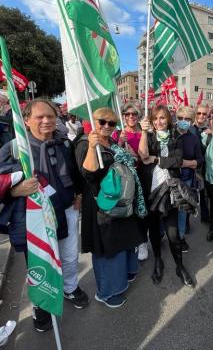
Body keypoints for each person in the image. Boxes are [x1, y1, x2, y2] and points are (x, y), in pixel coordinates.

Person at [0, 99, 89, 332]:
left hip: (67, 209)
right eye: (39, 117)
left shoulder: (64, 143)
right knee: (40, 262)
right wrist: (15, 190)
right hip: (35, 217)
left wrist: (78, 193)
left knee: (69, 256)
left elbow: (75, 173)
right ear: (26, 120)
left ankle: (69, 288)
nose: (46, 121)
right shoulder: (14, 148)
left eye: (50, 116)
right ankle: (41, 305)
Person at [75, 107, 144, 308]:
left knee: (124, 242)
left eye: (111, 123)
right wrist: (90, 147)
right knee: (108, 248)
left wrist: (121, 145)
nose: (106, 126)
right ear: (92, 121)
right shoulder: (83, 143)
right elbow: (87, 174)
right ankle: (108, 292)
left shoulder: (112, 141)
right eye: (102, 122)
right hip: (101, 204)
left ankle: (126, 276)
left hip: (122, 201)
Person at [138, 105, 194, 287]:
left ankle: (180, 266)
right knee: (154, 232)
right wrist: (144, 133)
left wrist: (156, 160)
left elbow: (177, 161)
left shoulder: (175, 137)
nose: (159, 122)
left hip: (169, 193)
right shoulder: (150, 137)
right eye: (155, 119)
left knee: (173, 235)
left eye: (162, 118)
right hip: (152, 193)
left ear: (168, 119)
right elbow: (143, 154)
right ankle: (158, 260)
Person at [112, 103, 149, 262]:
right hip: (125, 177)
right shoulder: (118, 134)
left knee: (142, 207)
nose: (130, 117)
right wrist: (120, 144)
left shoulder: (145, 133)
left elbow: (147, 156)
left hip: (141, 174)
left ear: (138, 115)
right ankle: (132, 239)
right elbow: (110, 156)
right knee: (128, 208)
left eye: (134, 114)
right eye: (127, 114)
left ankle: (142, 242)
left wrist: (136, 156)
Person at [175, 106, 203, 250]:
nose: (183, 121)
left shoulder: (193, 138)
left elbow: (200, 160)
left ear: (192, 122)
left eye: (187, 119)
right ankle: (162, 234)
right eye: (180, 118)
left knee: (181, 210)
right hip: (168, 179)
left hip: (185, 181)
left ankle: (180, 238)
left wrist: (184, 163)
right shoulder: (170, 135)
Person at [191, 104, 210, 223]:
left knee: (204, 193)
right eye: (199, 113)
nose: (201, 116)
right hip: (191, 166)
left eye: (204, 114)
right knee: (190, 192)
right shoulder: (189, 129)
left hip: (205, 167)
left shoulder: (210, 130)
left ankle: (205, 215)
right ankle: (186, 220)